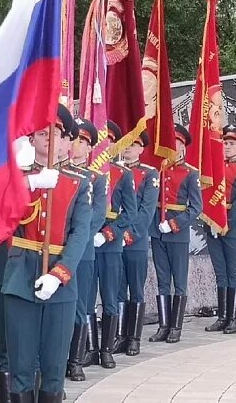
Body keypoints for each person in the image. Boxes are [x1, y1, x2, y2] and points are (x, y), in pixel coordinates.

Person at [1, 104, 92, 403]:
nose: (48, 138)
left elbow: (80, 234)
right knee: (21, 367)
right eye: (42, 132)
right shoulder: (12, 179)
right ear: (30, 138)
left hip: (60, 282)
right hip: (20, 276)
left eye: (56, 133)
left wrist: (59, 274)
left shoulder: (79, 183)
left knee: (54, 367)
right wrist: (27, 183)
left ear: (67, 141)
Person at [87, 121, 136, 369]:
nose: (105, 146)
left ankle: (106, 349)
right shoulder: (86, 172)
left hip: (109, 243)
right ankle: (88, 349)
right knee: (85, 299)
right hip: (86, 242)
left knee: (109, 296)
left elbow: (129, 213)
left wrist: (107, 234)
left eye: (110, 141)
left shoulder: (124, 174)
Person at [148, 124, 201, 344]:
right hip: (157, 231)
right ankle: (163, 325)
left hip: (176, 233)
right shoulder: (158, 170)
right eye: (172, 142)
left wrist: (174, 224)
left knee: (178, 281)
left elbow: (196, 207)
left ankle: (176, 327)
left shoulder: (190, 173)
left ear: (183, 147)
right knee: (162, 280)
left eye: (178, 142)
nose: (174, 146)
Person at [64, 119, 106, 382]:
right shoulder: (58, 173)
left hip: (83, 252)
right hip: (58, 249)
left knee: (81, 306)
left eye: (83, 141)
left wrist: (77, 241)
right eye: (74, 139)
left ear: (90, 148)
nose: (77, 145)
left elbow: (97, 215)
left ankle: (76, 360)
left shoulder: (96, 179)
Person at [204, 125, 236, 335]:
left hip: (232, 226)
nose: (226, 146)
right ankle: (222, 317)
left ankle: (234, 318)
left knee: (233, 272)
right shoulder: (213, 167)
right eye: (224, 142)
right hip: (213, 225)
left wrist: (225, 223)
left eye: (231, 143)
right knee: (220, 273)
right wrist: (211, 221)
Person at [114, 130, 159, 355]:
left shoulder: (149, 175)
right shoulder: (115, 171)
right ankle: (120, 335)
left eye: (135, 145)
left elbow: (146, 211)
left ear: (142, 149)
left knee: (136, 289)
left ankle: (134, 338)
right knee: (118, 288)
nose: (129, 148)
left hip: (135, 241)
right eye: (126, 145)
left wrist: (128, 235)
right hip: (113, 240)